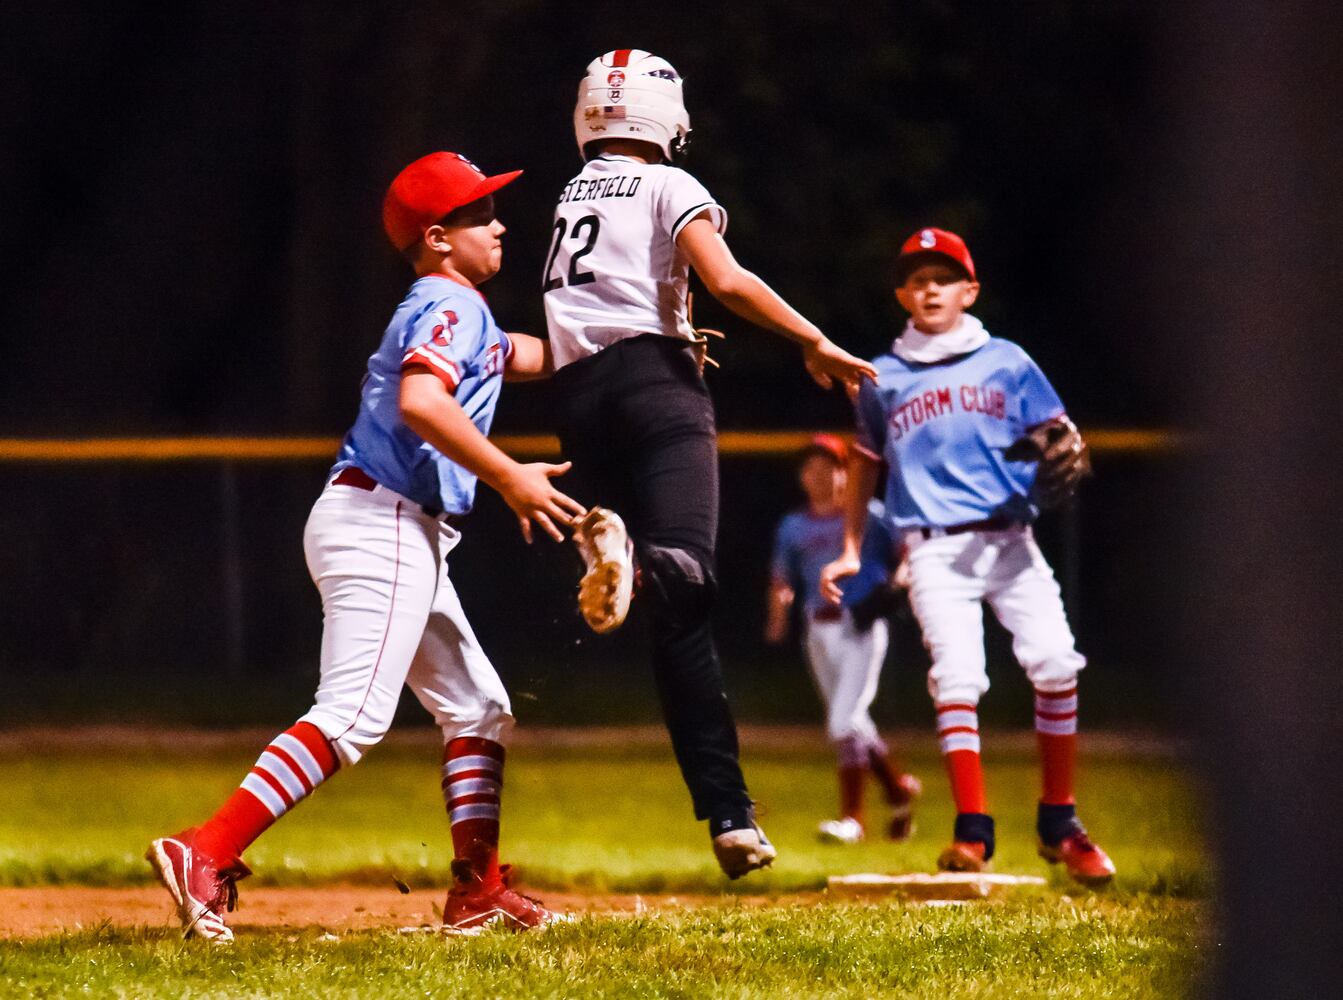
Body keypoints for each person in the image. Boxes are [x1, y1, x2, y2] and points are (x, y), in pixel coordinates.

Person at [145, 151, 587, 940]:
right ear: (438, 236)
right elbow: (422, 400)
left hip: (395, 525)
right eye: (481, 213)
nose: (499, 223)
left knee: (478, 708)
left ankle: (477, 890)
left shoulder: (462, 313)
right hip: (382, 522)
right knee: (351, 716)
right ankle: (202, 851)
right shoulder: (446, 307)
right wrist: (510, 477)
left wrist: (634, 336)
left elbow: (532, 354)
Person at [543, 49, 877, 878]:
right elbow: (723, 279)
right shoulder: (667, 185)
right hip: (656, 383)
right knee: (687, 574)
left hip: (575, 397)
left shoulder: (565, 197)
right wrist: (814, 339)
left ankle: (728, 817)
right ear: (664, 113)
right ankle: (639, 561)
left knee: (672, 611)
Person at [820, 227, 1115, 885]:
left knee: (1056, 661)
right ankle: (972, 831)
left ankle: (1059, 822)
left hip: (1010, 537)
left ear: (968, 290)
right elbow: (865, 464)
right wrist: (847, 549)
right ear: (900, 292)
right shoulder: (879, 375)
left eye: (943, 277)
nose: (930, 288)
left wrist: (1066, 444)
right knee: (956, 678)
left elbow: (1057, 436)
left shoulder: (1006, 360)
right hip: (932, 545)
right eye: (917, 278)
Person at [765, 434, 921, 845]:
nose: (818, 474)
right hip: (818, 626)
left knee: (843, 721)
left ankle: (853, 820)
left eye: (828, 466)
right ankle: (898, 791)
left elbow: (909, 552)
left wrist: (898, 584)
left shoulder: (869, 515)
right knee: (853, 720)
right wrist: (778, 613)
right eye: (810, 467)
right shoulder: (793, 525)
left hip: (862, 624)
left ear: (845, 473)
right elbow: (783, 577)